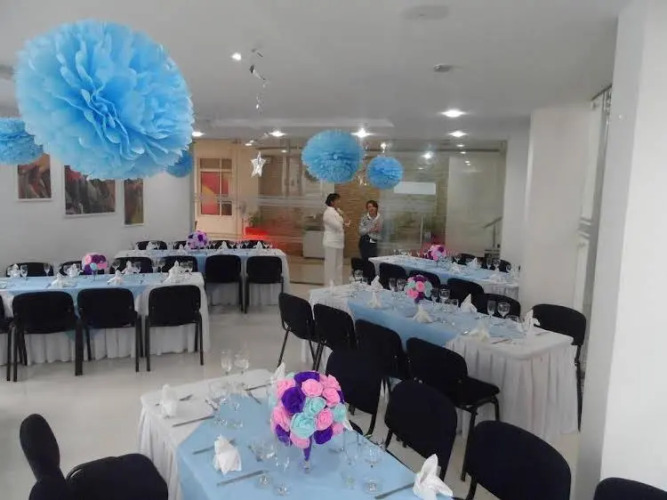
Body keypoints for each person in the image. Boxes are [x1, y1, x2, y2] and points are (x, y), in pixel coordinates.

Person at [322, 193, 349, 286]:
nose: (339, 202)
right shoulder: (328, 213)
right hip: (331, 242)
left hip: (339, 242)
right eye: (337, 200)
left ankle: (338, 284)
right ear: (332, 202)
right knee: (331, 265)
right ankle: (329, 286)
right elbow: (337, 226)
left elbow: (347, 222)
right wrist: (342, 222)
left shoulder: (338, 211)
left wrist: (343, 214)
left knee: (339, 265)